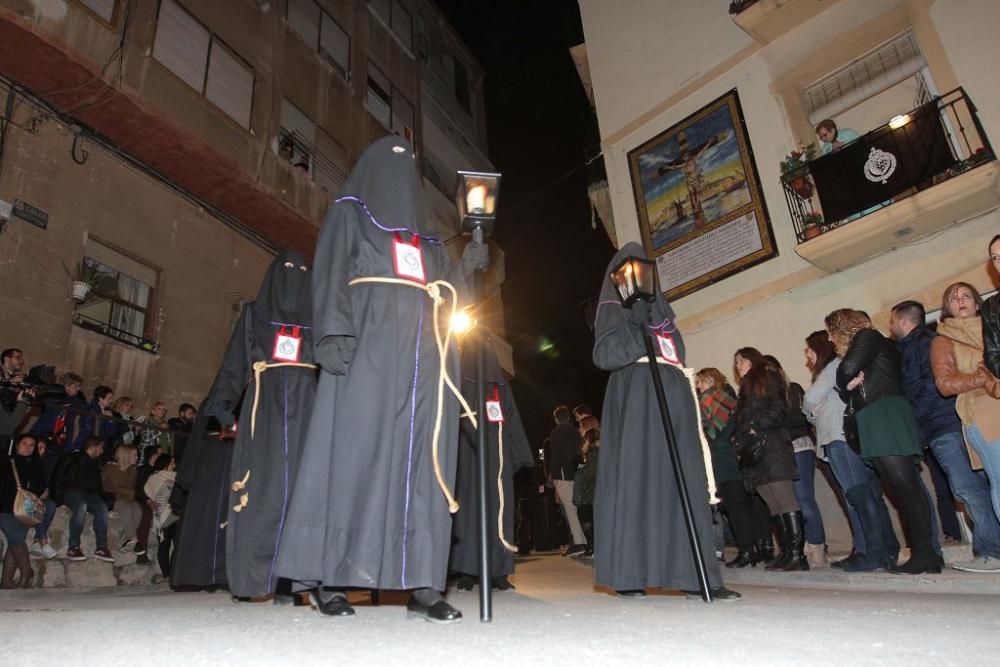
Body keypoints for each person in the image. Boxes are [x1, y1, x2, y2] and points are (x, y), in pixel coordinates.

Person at [275, 136, 484, 622]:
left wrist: (468, 266)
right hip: (366, 348)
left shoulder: (428, 240)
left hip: (422, 360)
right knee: (352, 457)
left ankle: (423, 584)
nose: (401, 176)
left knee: (420, 465)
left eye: (409, 167)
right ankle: (327, 577)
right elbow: (327, 275)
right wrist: (333, 334)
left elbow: (448, 295)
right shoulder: (349, 214)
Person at [592, 242, 739, 600]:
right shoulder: (615, 307)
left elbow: (676, 351)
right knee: (637, 483)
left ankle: (698, 575)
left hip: (674, 399)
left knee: (686, 484)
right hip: (639, 401)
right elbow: (605, 354)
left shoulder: (659, 307)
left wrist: (654, 321)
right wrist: (638, 332)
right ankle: (631, 574)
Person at [200, 250, 316, 602]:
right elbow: (235, 362)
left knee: (302, 494)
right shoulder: (254, 315)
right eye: (287, 271)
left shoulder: (321, 317)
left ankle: (296, 580)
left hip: (307, 411)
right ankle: (256, 577)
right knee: (263, 493)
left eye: (302, 272)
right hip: (264, 409)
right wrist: (223, 407)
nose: (294, 277)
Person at [827, 308, 942, 574]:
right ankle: (926, 554)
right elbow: (846, 391)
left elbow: (845, 372)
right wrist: (848, 384)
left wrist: (847, 381)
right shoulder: (872, 345)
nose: (831, 340)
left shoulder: (866, 336)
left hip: (884, 412)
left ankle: (925, 554)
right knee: (903, 487)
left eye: (831, 332)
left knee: (906, 486)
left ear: (842, 327)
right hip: (875, 414)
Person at [893, 298, 1000, 573]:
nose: (891, 327)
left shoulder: (924, 343)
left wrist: (911, 417)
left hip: (945, 424)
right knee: (975, 487)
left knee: (969, 488)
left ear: (904, 322)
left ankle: (991, 551)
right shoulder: (919, 344)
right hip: (945, 423)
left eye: (892, 322)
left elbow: (931, 387)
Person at [802, 331, 898, 572]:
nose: (806, 355)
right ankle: (879, 549)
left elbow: (809, 400)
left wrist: (814, 409)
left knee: (857, 496)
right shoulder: (838, 367)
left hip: (839, 436)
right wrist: (815, 410)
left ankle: (870, 551)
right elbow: (814, 409)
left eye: (809, 350)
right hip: (848, 435)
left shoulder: (835, 365)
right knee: (865, 495)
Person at [930, 283, 1000, 572]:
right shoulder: (944, 340)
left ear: (976, 302)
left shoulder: (992, 325)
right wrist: (980, 379)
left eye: (966, 296)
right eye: (953, 298)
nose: (960, 301)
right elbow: (944, 384)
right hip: (981, 410)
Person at [450, 351, 534, 591]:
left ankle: (497, 571)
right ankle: (468, 571)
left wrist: (517, 455)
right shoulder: (458, 380)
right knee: (468, 511)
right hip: (467, 452)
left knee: (497, 510)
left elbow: (510, 417)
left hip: (495, 453)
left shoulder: (500, 386)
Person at [731, 348, 807, 571]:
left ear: (752, 360)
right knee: (772, 503)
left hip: (772, 446)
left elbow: (779, 410)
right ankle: (786, 552)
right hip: (756, 454)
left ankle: (797, 555)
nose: (738, 366)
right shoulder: (745, 389)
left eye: (741, 361)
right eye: (736, 363)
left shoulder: (768, 378)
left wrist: (755, 426)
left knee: (785, 498)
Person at [696, 368, 770, 568]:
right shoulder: (728, 399)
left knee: (735, 507)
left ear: (711, 380)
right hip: (731, 459)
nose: (698, 386)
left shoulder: (712, 398)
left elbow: (706, 430)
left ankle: (747, 550)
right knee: (742, 506)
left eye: (701, 381)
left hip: (724, 460)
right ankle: (755, 548)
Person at [768, 354, 827, 567]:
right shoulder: (767, 397)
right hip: (780, 453)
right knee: (788, 503)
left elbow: (798, 418)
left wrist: (774, 423)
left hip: (799, 447)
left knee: (804, 499)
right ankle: (797, 547)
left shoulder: (791, 389)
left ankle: (818, 546)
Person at [51, 436, 114, 562]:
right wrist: (57, 499)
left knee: (102, 508)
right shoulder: (71, 457)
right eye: (100, 448)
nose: (102, 451)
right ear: (93, 447)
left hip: (89, 494)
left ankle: (102, 547)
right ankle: (73, 547)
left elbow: (97, 485)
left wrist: (105, 501)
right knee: (81, 505)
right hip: (71, 491)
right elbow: (57, 477)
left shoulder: (95, 462)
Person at [0, 434, 45, 587]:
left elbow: (40, 486)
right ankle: (27, 571)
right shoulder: (6, 461)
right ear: (17, 445)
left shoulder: (36, 464)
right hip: (4, 507)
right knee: (16, 539)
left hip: (24, 509)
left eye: (32, 445)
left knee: (14, 542)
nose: (28, 447)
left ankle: (6, 582)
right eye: (24, 443)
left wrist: (32, 494)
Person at [548, 405, 587, 557]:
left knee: (569, 510)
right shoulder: (576, 432)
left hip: (563, 475)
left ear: (556, 419)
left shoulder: (553, 436)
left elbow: (552, 457)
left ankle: (578, 542)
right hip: (577, 472)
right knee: (575, 509)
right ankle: (582, 540)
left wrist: (551, 477)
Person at [102, 444, 142, 553]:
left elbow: (131, 489)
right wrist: (128, 493)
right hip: (113, 498)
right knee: (127, 510)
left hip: (126, 498)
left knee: (138, 511)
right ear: (125, 456)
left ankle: (127, 540)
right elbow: (105, 486)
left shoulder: (133, 471)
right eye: (134, 455)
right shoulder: (110, 468)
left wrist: (129, 493)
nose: (137, 458)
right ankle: (134, 539)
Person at [31, 372, 87, 448]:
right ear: (67, 386)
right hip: (44, 430)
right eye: (76, 386)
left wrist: (71, 405)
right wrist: (61, 404)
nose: (78, 389)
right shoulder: (54, 394)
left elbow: (84, 407)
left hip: (63, 435)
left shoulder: (77, 398)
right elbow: (46, 401)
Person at [145, 454, 178, 582]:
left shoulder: (177, 476)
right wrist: (149, 501)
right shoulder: (154, 478)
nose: (174, 465)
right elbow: (148, 494)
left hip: (176, 514)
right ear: (166, 463)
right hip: (162, 515)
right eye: (172, 462)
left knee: (179, 545)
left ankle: (174, 573)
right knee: (164, 544)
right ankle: (166, 575)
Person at [28, 435, 61, 560]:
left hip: (41, 496)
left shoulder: (46, 462)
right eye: (38, 447)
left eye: (43, 448)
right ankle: (43, 541)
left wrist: (46, 491)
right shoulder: (27, 461)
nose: (41, 450)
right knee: (38, 506)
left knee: (51, 505)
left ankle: (36, 542)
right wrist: (37, 495)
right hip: (27, 498)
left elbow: (47, 482)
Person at [573, 422, 600, 559]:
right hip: (594, 491)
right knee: (589, 518)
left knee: (585, 517)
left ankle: (592, 547)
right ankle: (592, 546)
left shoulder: (593, 453)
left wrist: (581, 474)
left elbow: (590, 473)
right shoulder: (596, 453)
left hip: (590, 492)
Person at [69, 385, 115, 452]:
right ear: (100, 399)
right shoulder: (90, 409)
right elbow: (89, 428)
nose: (112, 400)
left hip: (99, 446)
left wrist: (111, 420)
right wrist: (102, 417)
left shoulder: (107, 411)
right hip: (85, 445)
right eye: (109, 398)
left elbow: (111, 432)